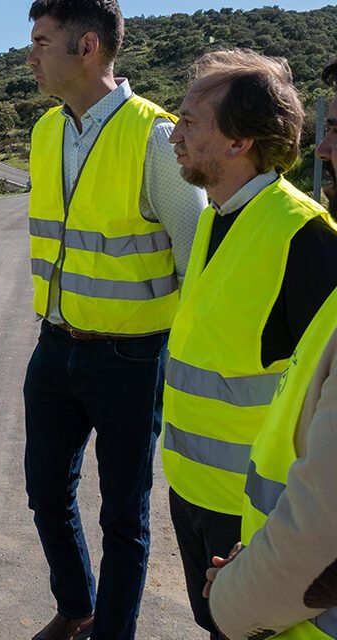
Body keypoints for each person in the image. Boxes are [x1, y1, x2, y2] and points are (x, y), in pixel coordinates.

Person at [22, 1, 207, 638]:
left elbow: (197, 260)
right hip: (54, 345)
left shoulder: (156, 135)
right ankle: (77, 607)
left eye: (43, 41)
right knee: (46, 493)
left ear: (88, 45)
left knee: (123, 518)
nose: (31, 55)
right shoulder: (46, 131)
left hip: (132, 356)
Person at [162, 49, 337, 640]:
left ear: (239, 143)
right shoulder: (216, 216)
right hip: (191, 494)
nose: (173, 132)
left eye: (188, 120)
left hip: (250, 519)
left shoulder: (307, 238)